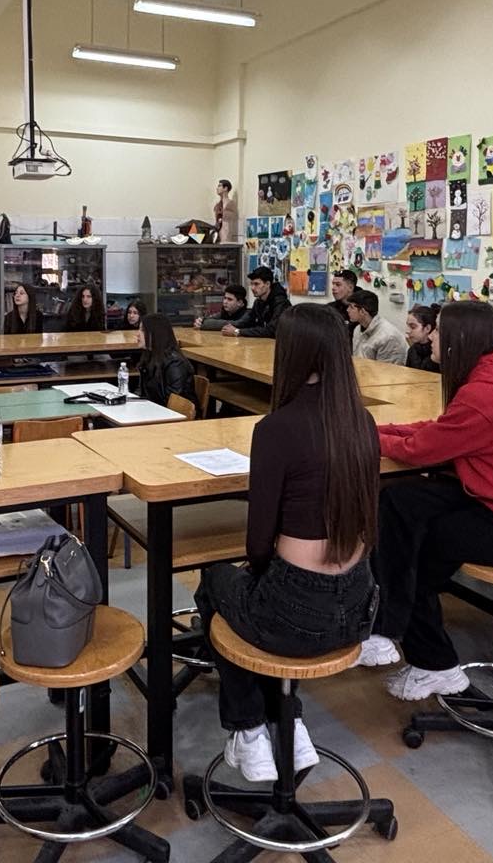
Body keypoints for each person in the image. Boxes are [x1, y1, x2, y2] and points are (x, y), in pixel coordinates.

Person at [193, 305, 380, 781]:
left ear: (289, 355)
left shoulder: (276, 429)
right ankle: (286, 721)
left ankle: (251, 726)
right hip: (359, 607)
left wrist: (261, 569)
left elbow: (257, 545)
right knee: (259, 601)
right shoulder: (362, 423)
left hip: (296, 611)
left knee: (215, 582)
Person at [358, 301, 493, 700]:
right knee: (401, 502)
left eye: (438, 330)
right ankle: (398, 633)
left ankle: (424, 656)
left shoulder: (485, 393)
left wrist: (367, 437)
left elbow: (424, 449)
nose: (431, 337)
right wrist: (375, 430)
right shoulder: (492, 376)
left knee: (417, 550)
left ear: (458, 339)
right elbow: (441, 429)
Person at [136, 313, 195, 407]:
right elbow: (142, 392)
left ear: (156, 333)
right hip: (154, 408)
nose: (138, 334)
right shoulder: (149, 356)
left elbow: (172, 402)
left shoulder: (175, 363)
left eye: (143, 330)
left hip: (175, 413)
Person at [223, 266, 290, 338]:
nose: (252, 288)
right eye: (251, 284)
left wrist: (237, 331)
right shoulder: (258, 302)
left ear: (267, 284)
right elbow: (248, 323)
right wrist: (229, 327)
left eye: (256, 284)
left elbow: (271, 331)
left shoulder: (280, 302)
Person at [347, 290, 405, 364]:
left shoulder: (388, 337)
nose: (347, 310)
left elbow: (386, 369)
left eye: (351, 307)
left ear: (363, 311)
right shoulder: (358, 329)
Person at [403, 304, 440, 372]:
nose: (407, 331)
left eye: (413, 327)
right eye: (407, 326)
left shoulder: (437, 353)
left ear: (427, 328)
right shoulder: (412, 350)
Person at [214, 178, 239, 243]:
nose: (217, 188)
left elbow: (232, 220)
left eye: (219, 186)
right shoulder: (218, 205)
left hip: (227, 235)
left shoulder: (231, 204)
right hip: (218, 234)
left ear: (225, 188)